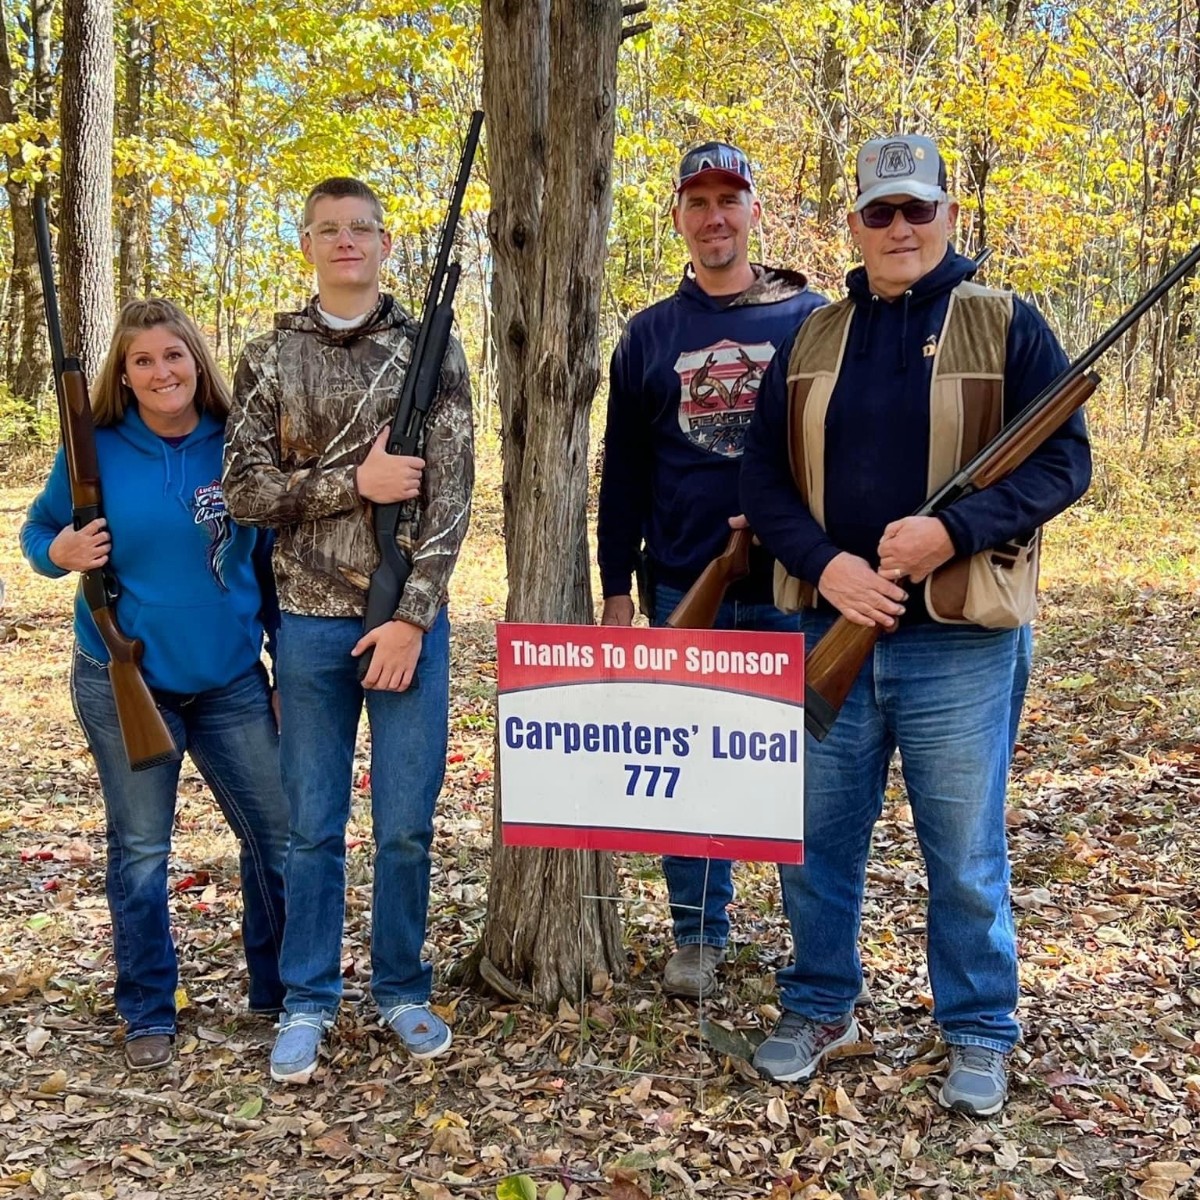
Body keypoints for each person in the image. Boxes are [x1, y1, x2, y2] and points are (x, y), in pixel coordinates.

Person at [740, 134, 1091, 1115]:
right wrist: (829, 567)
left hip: (960, 641)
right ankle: (818, 1007)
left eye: (918, 210)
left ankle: (978, 1030)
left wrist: (952, 532)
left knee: (965, 851)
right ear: (856, 224)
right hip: (829, 625)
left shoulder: (1008, 322)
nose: (901, 228)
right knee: (813, 839)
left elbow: (1064, 464)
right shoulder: (811, 336)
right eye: (881, 212)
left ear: (948, 216)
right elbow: (762, 482)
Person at [222, 177, 473, 1085]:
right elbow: (243, 492)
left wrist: (411, 619)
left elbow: (451, 500)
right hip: (307, 627)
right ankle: (308, 999)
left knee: (405, 826)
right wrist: (348, 488)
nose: (345, 241)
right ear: (307, 244)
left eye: (360, 228)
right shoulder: (267, 355)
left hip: (409, 629)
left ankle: (403, 987)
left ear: (384, 243)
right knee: (311, 829)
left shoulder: (431, 350)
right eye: (327, 228)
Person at [21, 299, 288, 1072]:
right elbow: (39, 534)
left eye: (174, 355)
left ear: (197, 360)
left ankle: (277, 993)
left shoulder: (238, 444)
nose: (161, 372)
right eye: (143, 361)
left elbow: (269, 563)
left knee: (276, 839)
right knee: (140, 850)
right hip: (124, 678)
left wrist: (277, 666)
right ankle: (147, 1008)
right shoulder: (93, 451)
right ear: (124, 374)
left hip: (233, 679)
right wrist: (61, 551)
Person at [597, 141, 826, 999]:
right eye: (698, 201)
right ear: (679, 218)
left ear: (754, 210)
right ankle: (697, 934)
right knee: (686, 772)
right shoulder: (650, 334)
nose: (715, 216)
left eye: (730, 198)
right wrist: (615, 585)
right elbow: (623, 469)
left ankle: (817, 950)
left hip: (797, 584)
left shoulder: (809, 318)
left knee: (804, 777)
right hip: (682, 584)